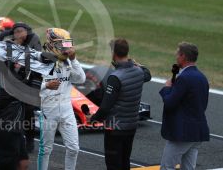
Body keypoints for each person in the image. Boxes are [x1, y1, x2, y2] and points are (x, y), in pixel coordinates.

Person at [89, 38, 151, 170]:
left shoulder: (115, 77)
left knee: (113, 165)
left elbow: (105, 107)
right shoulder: (139, 71)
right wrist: (135, 63)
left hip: (115, 128)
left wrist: (93, 119)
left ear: (114, 53)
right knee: (124, 162)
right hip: (131, 126)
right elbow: (148, 74)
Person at [37, 28, 86, 170]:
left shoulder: (68, 62)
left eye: (67, 44)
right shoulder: (40, 61)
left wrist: (74, 59)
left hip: (67, 110)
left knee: (74, 148)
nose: (66, 48)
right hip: (48, 110)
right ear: (52, 44)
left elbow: (81, 79)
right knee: (45, 149)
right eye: (62, 44)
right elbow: (30, 86)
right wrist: (46, 85)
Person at [159, 42, 210, 170]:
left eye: (178, 54)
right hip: (197, 131)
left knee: (166, 167)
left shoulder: (184, 78)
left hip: (182, 133)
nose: (176, 57)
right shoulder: (202, 77)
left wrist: (167, 88)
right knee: (188, 167)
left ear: (183, 56)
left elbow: (170, 102)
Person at [11, 22, 42, 153]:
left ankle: (29, 139)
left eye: (21, 31)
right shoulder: (11, 43)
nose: (18, 34)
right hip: (16, 80)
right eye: (16, 31)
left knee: (28, 110)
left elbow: (36, 64)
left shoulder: (34, 41)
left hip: (34, 79)